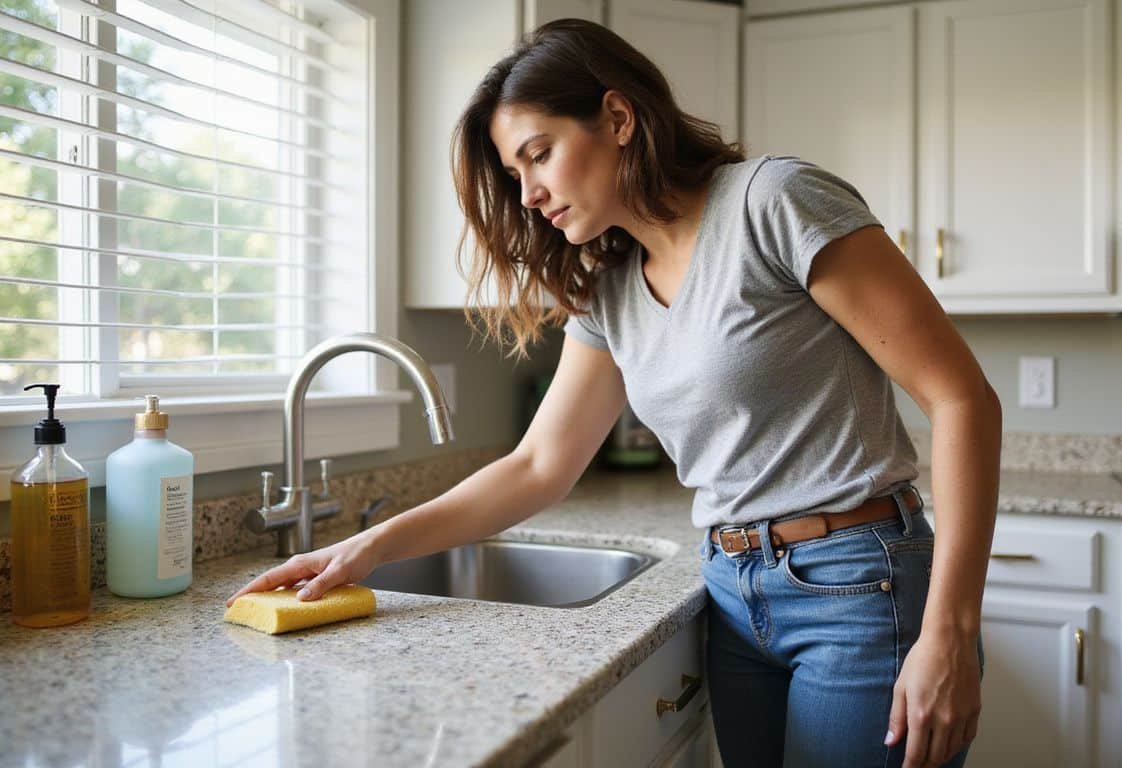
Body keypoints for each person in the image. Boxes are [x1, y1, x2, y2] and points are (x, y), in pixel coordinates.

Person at [228, 19, 1000, 768]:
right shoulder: (610, 290)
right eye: (513, 173)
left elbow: (963, 399)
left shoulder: (774, 201)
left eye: (539, 154)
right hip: (733, 594)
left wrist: (949, 634)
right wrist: (365, 547)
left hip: (857, 587)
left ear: (618, 116)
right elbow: (538, 466)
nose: (527, 193)